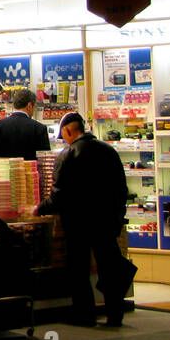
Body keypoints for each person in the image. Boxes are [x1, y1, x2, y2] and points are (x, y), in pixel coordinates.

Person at [38, 112, 135, 327]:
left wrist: (40, 209)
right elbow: (121, 189)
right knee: (108, 266)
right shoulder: (109, 151)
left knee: (79, 270)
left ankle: (85, 314)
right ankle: (114, 313)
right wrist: (118, 216)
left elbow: (58, 194)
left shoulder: (69, 154)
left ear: (69, 131)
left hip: (78, 223)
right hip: (106, 221)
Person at [0, 88, 51, 161]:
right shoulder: (39, 128)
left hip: (3, 171)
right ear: (29, 106)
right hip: (29, 171)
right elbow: (44, 160)